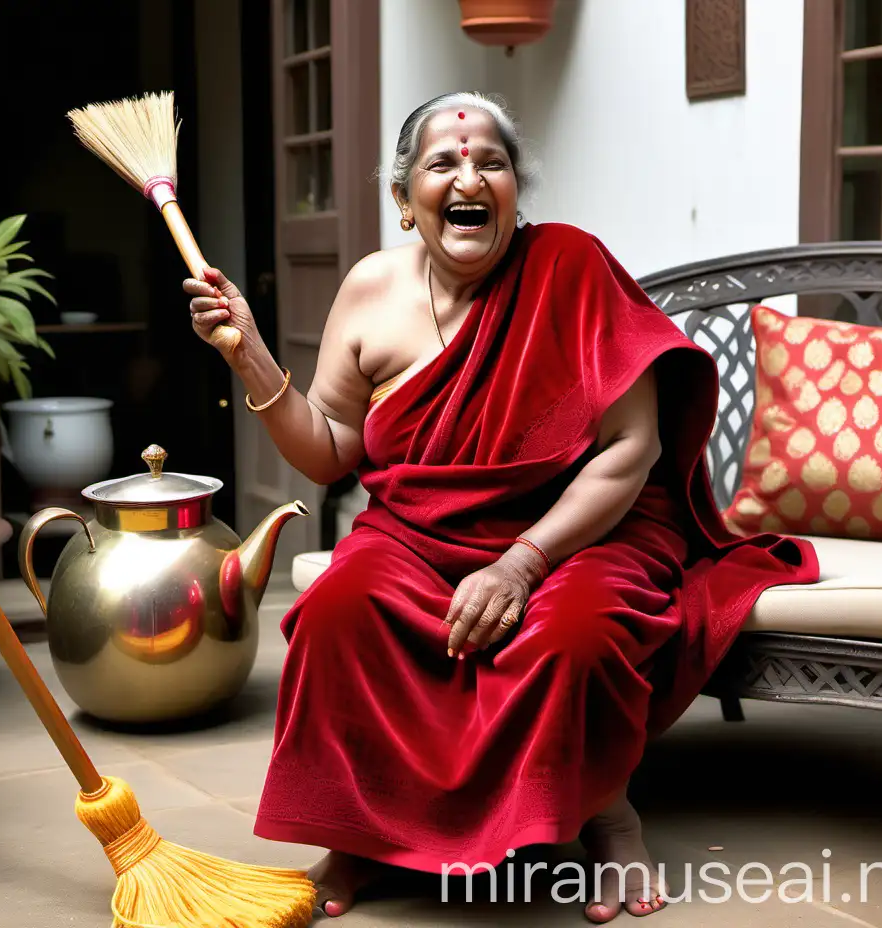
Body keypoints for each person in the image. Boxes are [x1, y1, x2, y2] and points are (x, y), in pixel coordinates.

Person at [184, 91, 819, 922]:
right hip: (420, 534)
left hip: (584, 531)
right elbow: (334, 446)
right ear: (404, 198)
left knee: (574, 633)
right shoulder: (371, 288)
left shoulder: (571, 268)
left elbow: (633, 448)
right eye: (442, 163)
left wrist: (524, 561)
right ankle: (363, 834)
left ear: (517, 189)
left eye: (491, 161)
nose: (468, 175)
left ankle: (607, 814)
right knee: (339, 608)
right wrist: (255, 361)